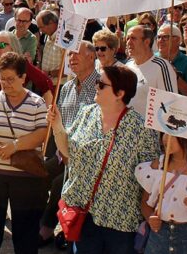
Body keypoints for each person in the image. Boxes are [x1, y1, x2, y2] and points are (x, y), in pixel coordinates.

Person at [48, 65, 160, 254]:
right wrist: (57, 126)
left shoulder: (141, 129)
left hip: (120, 222)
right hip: (83, 214)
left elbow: (151, 178)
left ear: (119, 93)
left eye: (101, 85)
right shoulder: (86, 113)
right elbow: (68, 151)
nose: (95, 87)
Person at [0, 52, 49, 253]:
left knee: (25, 231)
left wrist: (14, 146)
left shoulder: (37, 102)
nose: (5, 83)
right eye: (2, 78)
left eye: (10, 79)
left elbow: (42, 133)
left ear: (23, 78)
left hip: (24, 176)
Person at [39, 40, 99, 246]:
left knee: (59, 185)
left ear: (91, 57)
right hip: (63, 152)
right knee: (36, 175)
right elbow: (61, 123)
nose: (71, 59)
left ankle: (50, 228)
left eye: (77, 54)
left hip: (87, 158)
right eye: (70, 55)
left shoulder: (102, 86)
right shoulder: (66, 88)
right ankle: (43, 223)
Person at [124, 25, 179, 110]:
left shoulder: (162, 66)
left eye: (133, 38)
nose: (128, 42)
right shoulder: (128, 65)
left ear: (146, 42)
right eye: (127, 38)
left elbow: (171, 103)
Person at [155, 24, 187, 97]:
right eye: (158, 37)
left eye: (165, 37)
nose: (160, 40)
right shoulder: (151, 59)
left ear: (177, 40)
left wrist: (176, 77)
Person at [35, 10, 63, 81]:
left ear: (51, 23)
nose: (41, 31)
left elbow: (69, 69)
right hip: (48, 83)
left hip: (59, 85)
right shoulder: (48, 35)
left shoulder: (63, 40)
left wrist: (50, 73)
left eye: (42, 27)